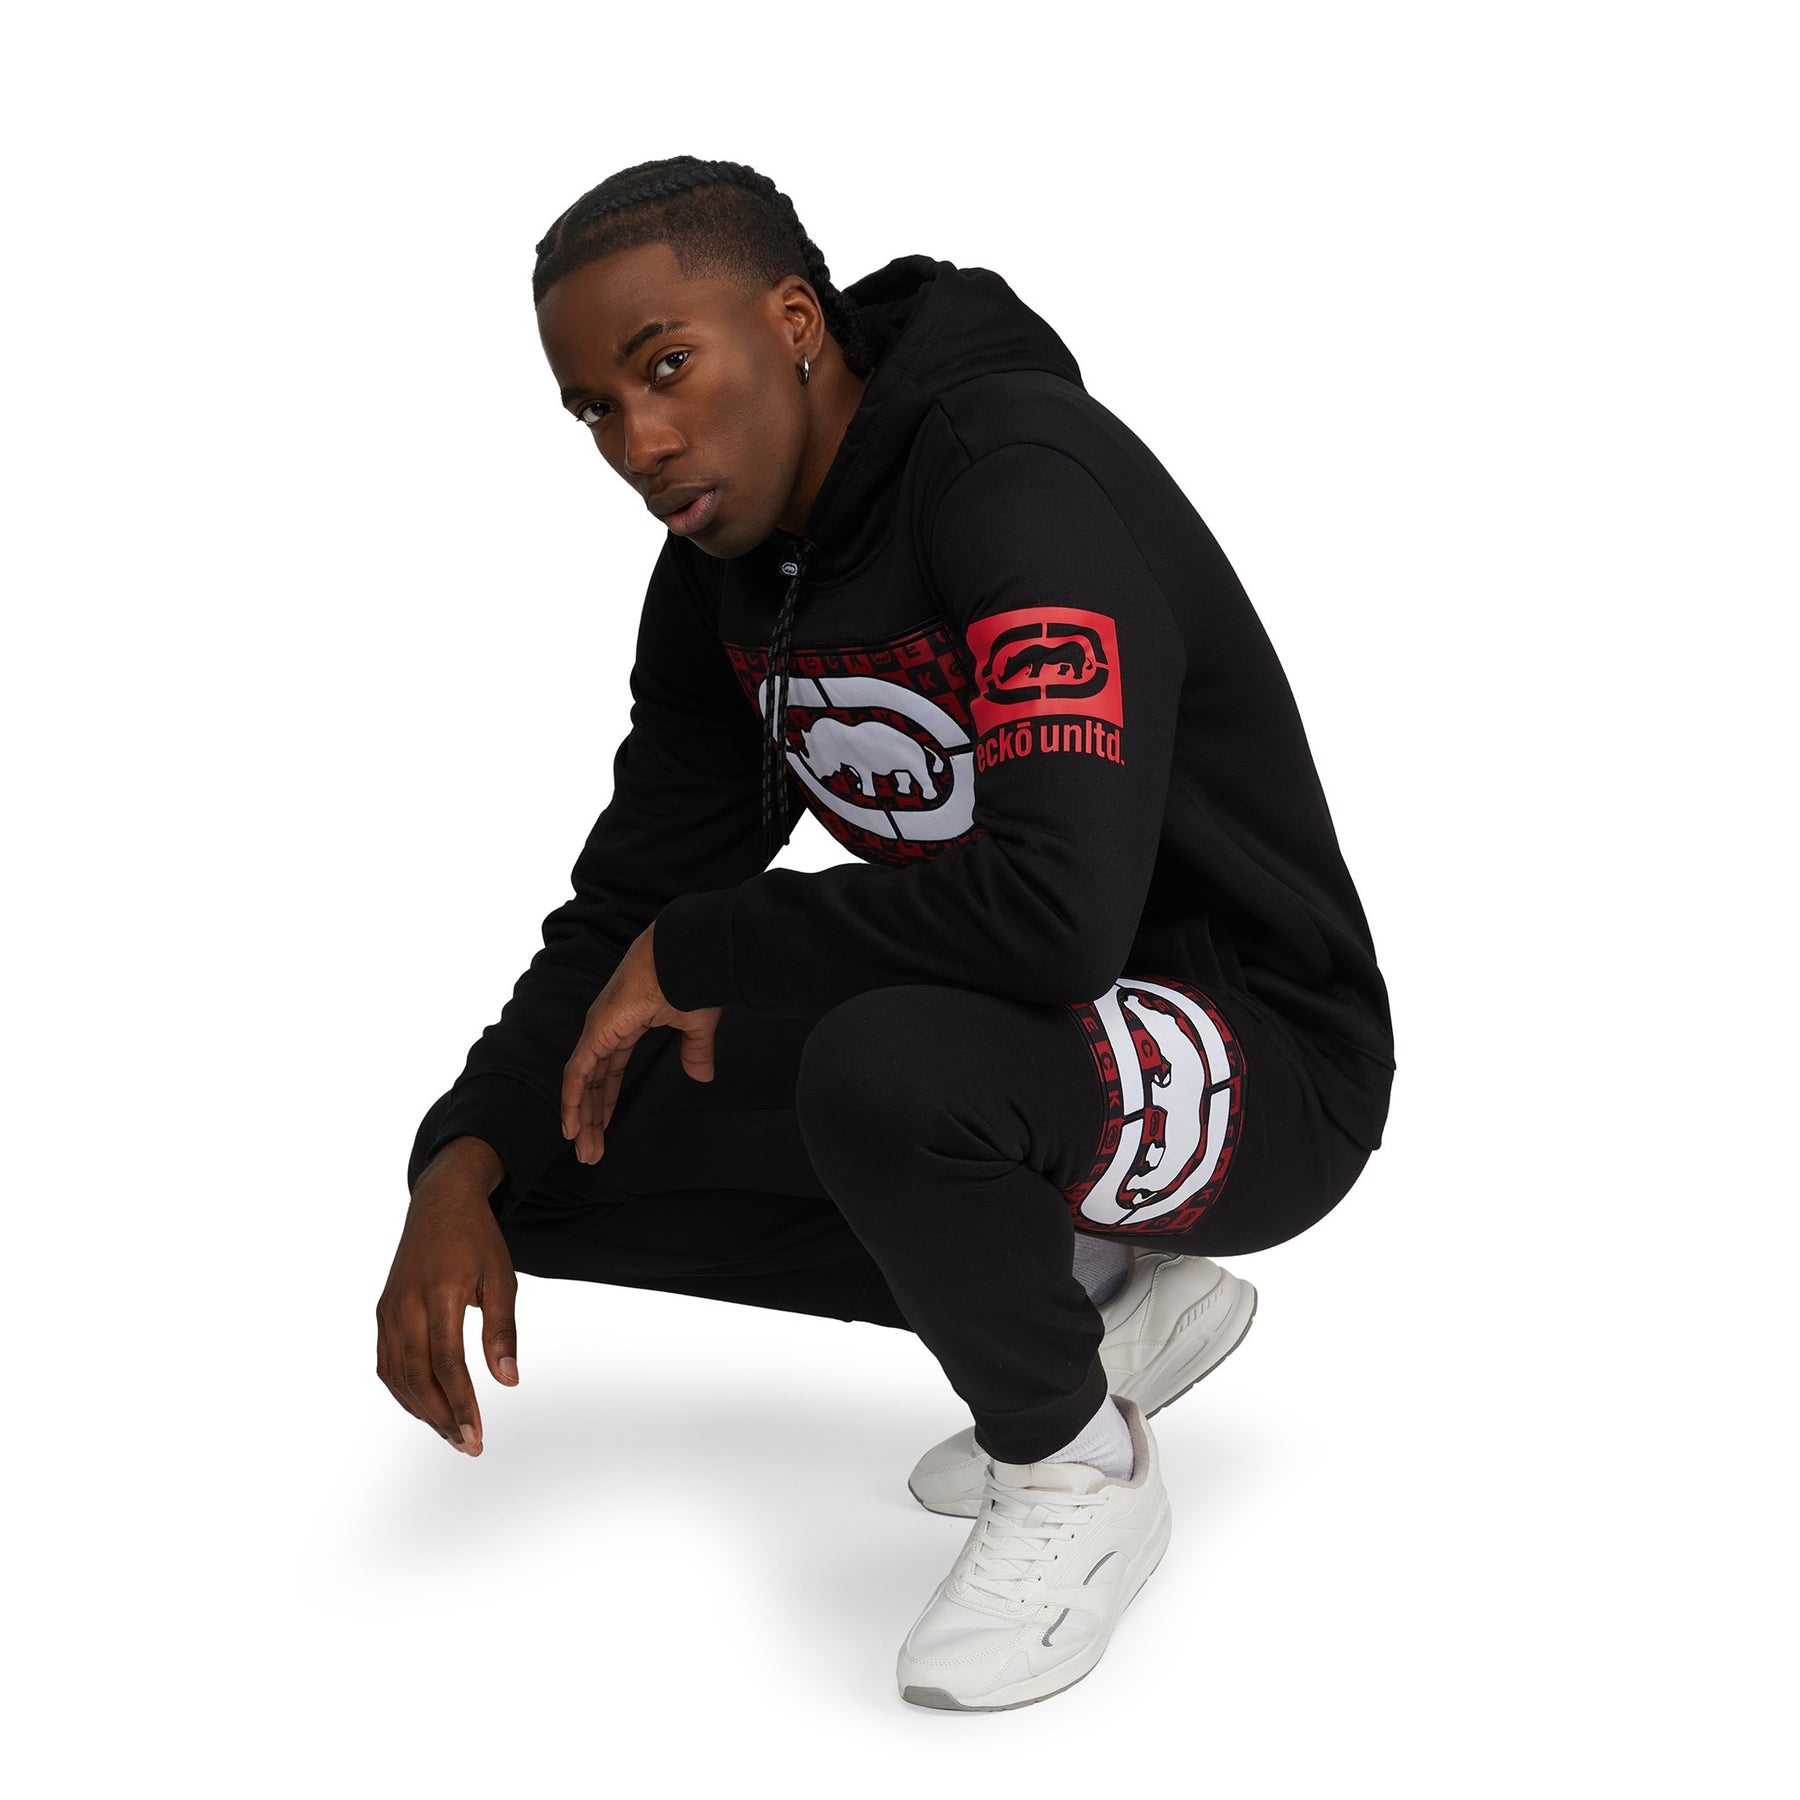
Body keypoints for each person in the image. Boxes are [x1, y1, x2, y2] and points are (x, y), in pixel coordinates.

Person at [376, 154, 1396, 1712]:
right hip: (1023, 1044)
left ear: (793, 322)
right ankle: (1096, 1298)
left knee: (885, 1068)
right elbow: (632, 908)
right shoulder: (718, 577)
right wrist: (456, 1161)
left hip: (1256, 1058)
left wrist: (720, 947)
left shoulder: (1015, 480)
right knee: (558, 1148)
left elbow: (1056, 914)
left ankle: (1076, 1461)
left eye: (667, 367)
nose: (640, 444)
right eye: (593, 409)